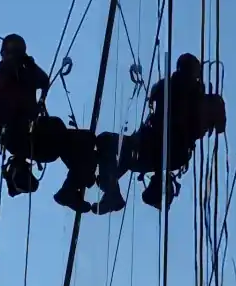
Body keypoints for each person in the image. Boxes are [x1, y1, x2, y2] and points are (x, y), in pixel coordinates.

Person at [0, 35, 96, 212]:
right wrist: (7, 76)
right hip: (18, 137)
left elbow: (44, 81)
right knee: (58, 128)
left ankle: (71, 188)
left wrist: (29, 65)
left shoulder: (26, 73)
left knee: (86, 140)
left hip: (37, 136)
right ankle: (78, 180)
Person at [94, 54, 227, 212]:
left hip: (161, 147)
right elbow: (218, 125)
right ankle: (112, 191)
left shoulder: (179, 90)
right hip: (156, 146)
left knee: (110, 146)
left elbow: (218, 125)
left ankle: (114, 192)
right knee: (110, 151)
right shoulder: (175, 88)